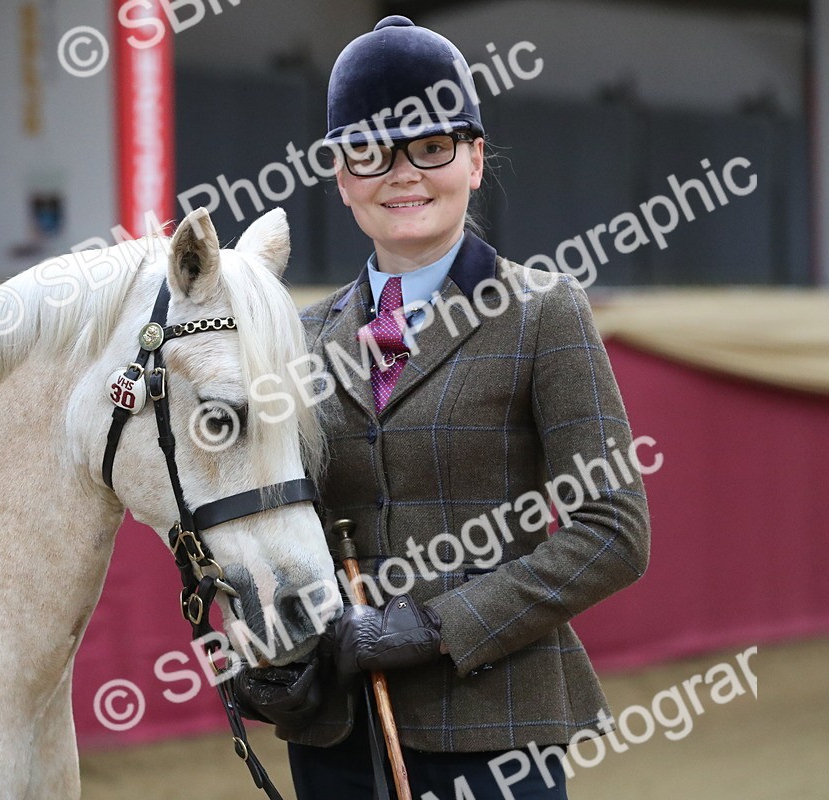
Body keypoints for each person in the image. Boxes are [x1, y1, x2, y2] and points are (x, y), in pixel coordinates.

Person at [235, 16, 651, 800]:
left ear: (474, 156)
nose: (402, 174)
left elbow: (615, 533)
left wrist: (432, 626)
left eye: (430, 146)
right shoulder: (293, 338)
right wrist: (261, 656)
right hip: (340, 732)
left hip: (494, 728)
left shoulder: (542, 311)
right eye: (371, 152)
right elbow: (265, 532)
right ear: (340, 173)